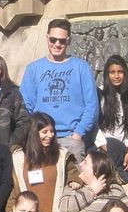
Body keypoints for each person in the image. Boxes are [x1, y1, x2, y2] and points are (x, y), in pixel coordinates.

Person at [19, 18, 99, 163]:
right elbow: (26, 106)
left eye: (62, 41)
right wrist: (35, 133)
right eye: (53, 39)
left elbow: (91, 105)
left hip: (72, 139)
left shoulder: (81, 67)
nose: (57, 44)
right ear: (47, 37)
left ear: (68, 41)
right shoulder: (33, 69)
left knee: (74, 184)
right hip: (42, 140)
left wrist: (78, 134)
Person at [9, 112, 79, 212]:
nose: (50, 135)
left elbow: (72, 171)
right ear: (34, 134)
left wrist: (75, 179)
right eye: (45, 132)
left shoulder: (61, 155)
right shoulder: (18, 157)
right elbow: (13, 187)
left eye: (52, 131)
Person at [58, 149, 128, 212]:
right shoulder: (74, 185)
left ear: (96, 169)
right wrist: (91, 191)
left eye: (85, 162)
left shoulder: (115, 190)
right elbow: (63, 209)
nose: (80, 164)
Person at [94, 54, 128, 179]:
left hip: (122, 150)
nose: (116, 76)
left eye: (120, 72)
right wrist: (105, 146)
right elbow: (93, 124)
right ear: (107, 74)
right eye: (112, 72)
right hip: (104, 148)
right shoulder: (99, 94)